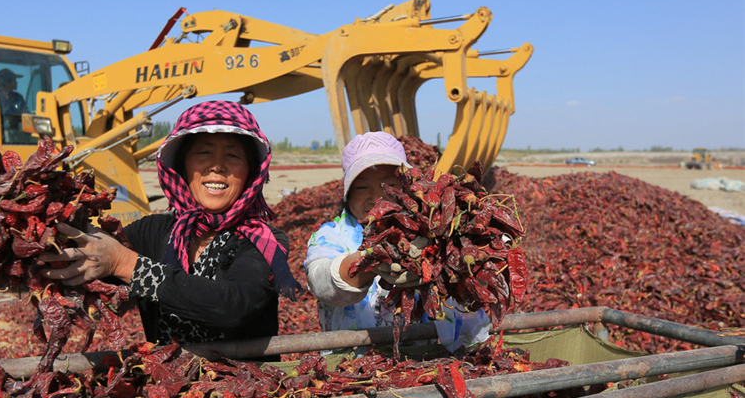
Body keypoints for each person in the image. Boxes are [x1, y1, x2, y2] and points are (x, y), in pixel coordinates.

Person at [38, 100, 299, 345]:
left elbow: (234, 307)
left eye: (233, 156)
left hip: (249, 386)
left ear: (250, 173)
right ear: (182, 167)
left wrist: (127, 264)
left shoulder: (263, 240)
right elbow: (89, 263)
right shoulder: (152, 232)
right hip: (168, 385)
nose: (217, 166)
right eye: (203, 153)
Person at [303, 131, 490, 352]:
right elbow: (321, 281)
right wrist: (370, 259)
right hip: (350, 366)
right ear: (347, 193)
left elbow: (475, 286)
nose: (376, 198)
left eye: (389, 186)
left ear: (407, 190)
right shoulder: (330, 236)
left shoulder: (432, 233)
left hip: (418, 363)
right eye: (362, 187)